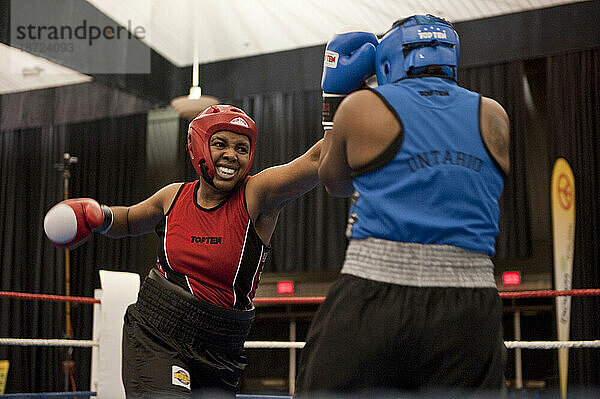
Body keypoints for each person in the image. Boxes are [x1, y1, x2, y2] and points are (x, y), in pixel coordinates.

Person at [43, 104, 322, 398]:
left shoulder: (257, 195)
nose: (231, 154)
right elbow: (126, 220)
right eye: (220, 143)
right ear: (198, 147)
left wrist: (351, 99)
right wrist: (98, 216)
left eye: (242, 147)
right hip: (158, 332)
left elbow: (316, 159)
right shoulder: (173, 196)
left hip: (222, 344)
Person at [296, 15, 510, 396]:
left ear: (389, 59)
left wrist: (334, 103)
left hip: (377, 292)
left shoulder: (362, 107)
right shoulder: (494, 115)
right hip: (472, 306)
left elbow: (335, 183)